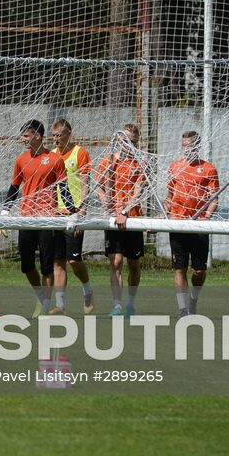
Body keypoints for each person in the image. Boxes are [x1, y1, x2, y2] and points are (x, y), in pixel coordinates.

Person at [5, 119, 62, 316]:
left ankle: (45, 304)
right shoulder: (21, 159)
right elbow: (14, 186)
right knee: (27, 266)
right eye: (23, 136)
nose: (24, 140)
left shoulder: (54, 159)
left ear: (38, 136)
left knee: (47, 266)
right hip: (26, 218)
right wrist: (5, 211)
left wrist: (72, 212)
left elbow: (63, 188)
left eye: (27, 136)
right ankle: (41, 297)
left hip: (47, 219)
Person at [95, 123, 148, 318]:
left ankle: (130, 305)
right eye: (126, 141)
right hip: (112, 218)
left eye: (133, 141)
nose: (129, 145)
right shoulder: (108, 161)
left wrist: (124, 211)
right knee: (116, 261)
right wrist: (105, 202)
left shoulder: (141, 163)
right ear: (119, 141)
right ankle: (117, 305)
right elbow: (99, 187)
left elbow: (139, 191)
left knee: (133, 264)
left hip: (132, 218)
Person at [165, 130, 219, 318]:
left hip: (199, 226)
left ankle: (193, 300)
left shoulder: (209, 168)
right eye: (185, 146)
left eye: (191, 146)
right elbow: (169, 196)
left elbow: (214, 198)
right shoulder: (174, 167)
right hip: (178, 224)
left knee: (199, 270)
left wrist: (207, 216)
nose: (188, 150)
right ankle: (182, 309)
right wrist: (164, 212)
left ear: (198, 146)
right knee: (179, 267)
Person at [50, 118, 95, 314]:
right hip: (56, 213)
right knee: (58, 260)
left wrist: (82, 208)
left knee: (74, 260)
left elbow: (86, 181)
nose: (56, 139)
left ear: (69, 135)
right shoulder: (51, 155)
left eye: (60, 135)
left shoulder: (80, 153)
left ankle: (88, 291)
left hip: (74, 213)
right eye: (54, 136)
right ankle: (60, 305)